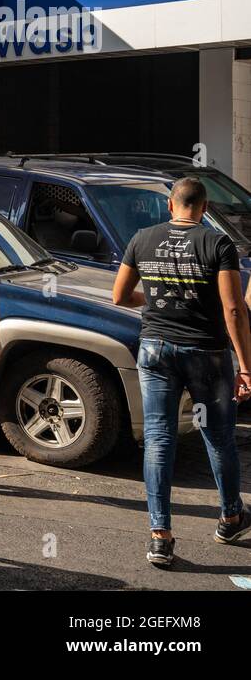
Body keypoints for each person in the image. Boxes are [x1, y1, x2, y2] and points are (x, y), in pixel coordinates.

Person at [112, 177, 251, 568]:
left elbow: (120, 296)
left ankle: (160, 537)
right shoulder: (216, 243)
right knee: (219, 438)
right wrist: (247, 367)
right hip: (206, 353)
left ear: (171, 207)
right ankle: (229, 518)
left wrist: (157, 299)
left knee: (158, 439)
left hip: (155, 350)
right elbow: (235, 310)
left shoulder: (143, 238)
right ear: (204, 209)